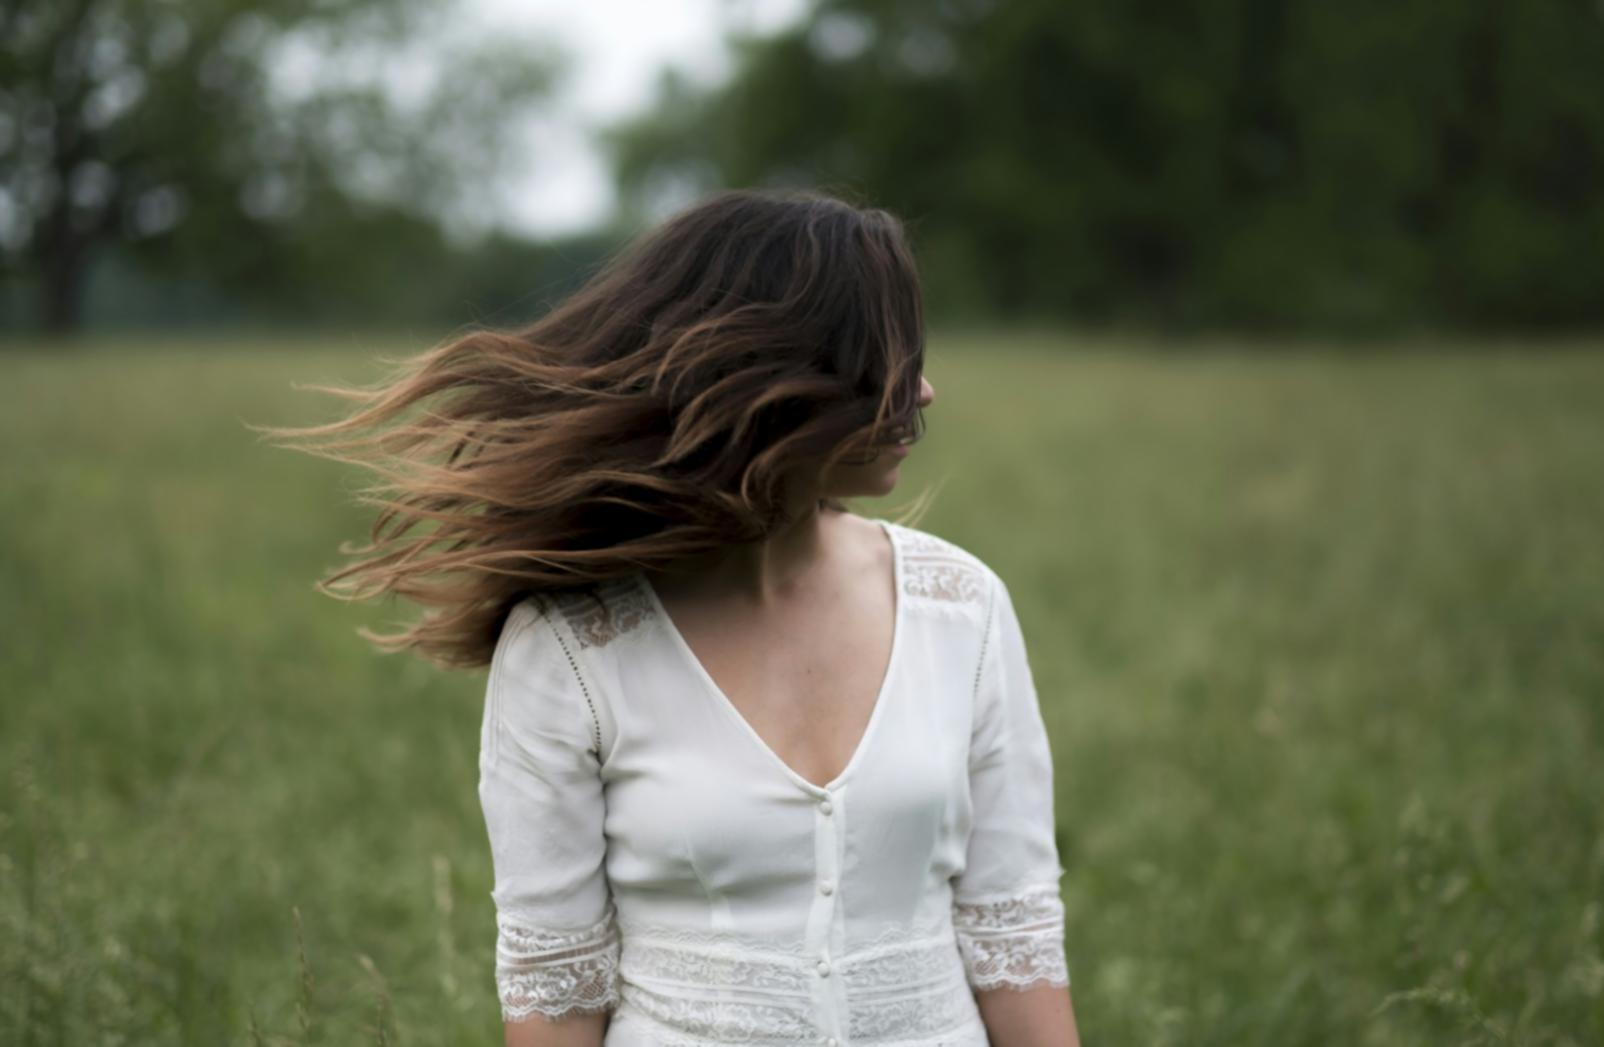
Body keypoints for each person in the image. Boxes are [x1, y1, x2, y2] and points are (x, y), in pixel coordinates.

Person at [261, 187, 1080, 1045]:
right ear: (776, 378)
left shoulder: (961, 608)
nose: (926, 390)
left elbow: (1015, 936)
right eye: (886, 359)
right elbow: (556, 997)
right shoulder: (572, 647)